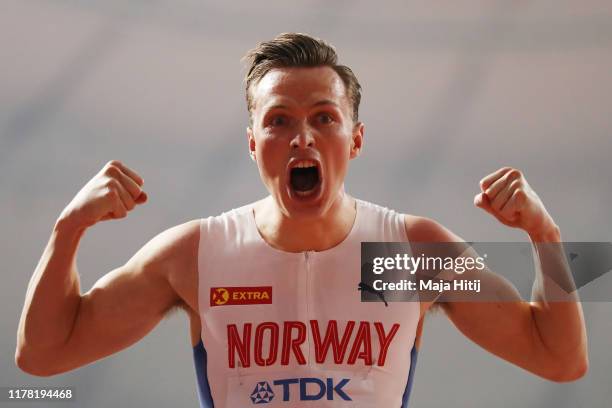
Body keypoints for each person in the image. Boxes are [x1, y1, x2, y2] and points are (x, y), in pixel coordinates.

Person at [15, 33, 588, 407]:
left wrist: (546, 236)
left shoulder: (405, 253)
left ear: (356, 139)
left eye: (324, 118)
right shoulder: (198, 253)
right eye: (280, 121)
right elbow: (44, 353)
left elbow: (559, 359)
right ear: (252, 143)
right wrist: (68, 230)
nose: (303, 137)